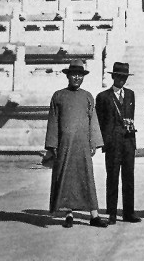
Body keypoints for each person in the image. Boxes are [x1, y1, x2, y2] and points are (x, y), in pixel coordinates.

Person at [44, 59, 108, 228]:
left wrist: (94, 142)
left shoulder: (87, 96)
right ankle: (69, 214)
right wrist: (53, 145)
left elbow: (93, 120)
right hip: (64, 146)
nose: (77, 78)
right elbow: (53, 121)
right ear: (68, 76)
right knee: (67, 179)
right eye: (74, 75)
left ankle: (94, 215)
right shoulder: (58, 96)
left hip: (82, 146)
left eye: (80, 75)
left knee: (87, 178)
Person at [95, 62, 141, 224]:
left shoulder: (130, 95)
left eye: (124, 77)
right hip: (112, 144)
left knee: (129, 178)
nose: (122, 80)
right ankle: (112, 213)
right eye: (119, 76)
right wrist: (105, 141)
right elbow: (99, 121)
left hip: (128, 142)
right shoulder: (103, 97)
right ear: (113, 76)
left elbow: (130, 118)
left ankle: (128, 213)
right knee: (112, 178)